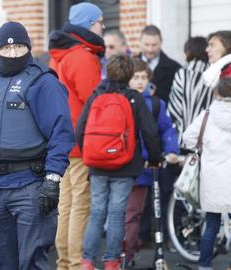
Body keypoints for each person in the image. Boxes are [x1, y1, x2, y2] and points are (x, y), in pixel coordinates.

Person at [0, 21, 74, 269]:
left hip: (31, 185)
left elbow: (61, 132)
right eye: (7, 49)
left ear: (28, 48)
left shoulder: (42, 82)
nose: (13, 54)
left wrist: (52, 180)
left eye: (19, 48)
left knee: (31, 261)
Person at [76, 55, 161, 270]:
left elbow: (80, 128)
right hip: (124, 165)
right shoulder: (134, 98)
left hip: (96, 164)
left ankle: (87, 261)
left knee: (96, 212)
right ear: (130, 74)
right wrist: (153, 158)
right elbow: (149, 131)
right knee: (116, 213)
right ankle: (111, 261)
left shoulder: (96, 94)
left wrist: (89, 152)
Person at [48, 3, 105, 269]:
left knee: (66, 205)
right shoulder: (82, 56)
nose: (102, 26)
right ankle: (74, 263)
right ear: (89, 24)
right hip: (79, 140)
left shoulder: (60, 54)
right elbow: (94, 99)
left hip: (60, 138)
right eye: (99, 21)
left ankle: (64, 262)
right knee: (80, 204)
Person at [124, 59, 179, 263]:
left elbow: (166, 130)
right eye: (135, 77)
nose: (140, 82)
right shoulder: (120, 100)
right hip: (121, 165)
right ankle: (121, 252)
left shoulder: (156, 104)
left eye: (143, 77)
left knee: (134, 213)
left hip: (146, 168)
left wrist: (171, 150)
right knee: (124, 213)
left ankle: (127, 253)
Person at [182, 78, 231, 270]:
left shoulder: (207, 115)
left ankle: (204, 265)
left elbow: (188, 138)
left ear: (216, 94)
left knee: (211, 225)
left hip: (212, 180)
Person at [168, 37, 213, 147]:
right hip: (207, 138)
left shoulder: (182, 73)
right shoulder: (213, 73)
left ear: (188, 52)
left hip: (184, 137)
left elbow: (174, 108)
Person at [138, 25, 181, 103]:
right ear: (140, 42)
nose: (150, 49)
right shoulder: (129, 65)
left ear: (161, 43)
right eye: (146, 44)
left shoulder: (174, 68)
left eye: (154, 45)